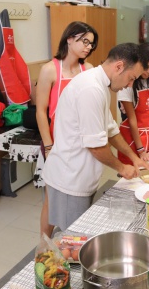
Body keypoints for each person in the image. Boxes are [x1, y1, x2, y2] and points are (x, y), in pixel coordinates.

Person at [42, 43, 149, 233]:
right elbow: (95, 147)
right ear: (119, 67)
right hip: (70, 179)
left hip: (79, 175)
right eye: (131, 78)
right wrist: (121, 167)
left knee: (72, 236)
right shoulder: (90, 89)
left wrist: (134, 158)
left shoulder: (100, 85)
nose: (129, 85)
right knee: (72, 239)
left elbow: (111, 131)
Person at [36, 21, 98, 237]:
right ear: (69, 38)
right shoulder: (49, 70)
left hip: (79, 145)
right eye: (84, 41)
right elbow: (41, 111)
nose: (88, 47)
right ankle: (44, 245)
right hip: (56, 144)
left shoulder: (87, 70)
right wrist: (48, 145)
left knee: (77, 196)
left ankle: (73, 242)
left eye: (91, 43)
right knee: (50, 200)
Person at [117, 43, 149, 165]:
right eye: (146, 66)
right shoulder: (127, 85)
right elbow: (132, 120)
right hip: (132, 143)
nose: (148, 72)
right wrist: (141, 151)